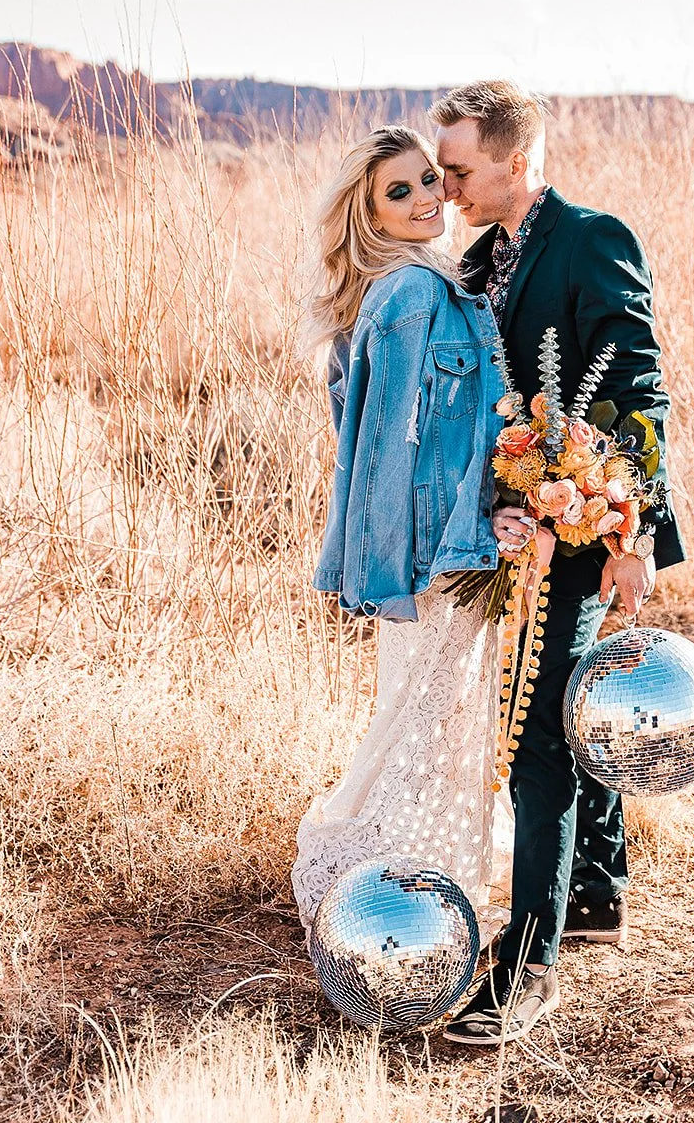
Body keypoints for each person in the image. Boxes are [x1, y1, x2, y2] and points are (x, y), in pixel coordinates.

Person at [433, 81, 685, 1045]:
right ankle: (596, 893)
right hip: (506, 528)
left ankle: (527, 964)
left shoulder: (591, 239)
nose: (446, 183)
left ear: (515, 160)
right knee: (563, 707)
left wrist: (634, 534)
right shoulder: (477, 259)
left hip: (583, 524)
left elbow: (639, 390)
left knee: (536, 729)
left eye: (458, 167)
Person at [290, 126, 509, 937]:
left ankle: (431, 867)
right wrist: (449, 541)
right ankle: (378, 877)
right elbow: (390, 448)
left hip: (434, 542)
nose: (425, 200)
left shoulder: (413, 284)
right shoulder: (411, 295)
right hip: (435, 549)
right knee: (427, 710)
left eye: (428, 181)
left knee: (437, 707)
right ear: (369, 213)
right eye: (399, 192)